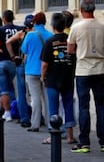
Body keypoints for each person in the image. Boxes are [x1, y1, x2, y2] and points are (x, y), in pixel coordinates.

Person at [67, 0, 104, 153]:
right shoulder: (103, 27)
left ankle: (84, 143)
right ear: (94, 9)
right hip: (101, 69)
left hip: (83, 71)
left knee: (84, 106)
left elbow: (70, 50)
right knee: (101, 105)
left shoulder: (76, 28)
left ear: (81, 9)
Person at [41, 12, 76, 144]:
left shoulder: (49, 42)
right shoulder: (70, 40)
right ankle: (69, 136)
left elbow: (45, 64)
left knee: (53, 108)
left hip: (52, 79)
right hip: (68, 78)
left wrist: (42, 78)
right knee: (68, 106)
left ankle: (53, 135)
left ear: (53, 25)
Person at [21, 12, 53, 132]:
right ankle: (51, 123)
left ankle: (35, 124)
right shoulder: (50, 35)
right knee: (47, 99)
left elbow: (24, 49)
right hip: (46, 70)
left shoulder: (30, 35)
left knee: (35, 99)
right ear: (45, 22)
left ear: (34, 22)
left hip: (31, 70)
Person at [5, 14, 34, 128]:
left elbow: (8, 42)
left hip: (21, 64)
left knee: (22, 93)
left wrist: (13, 57)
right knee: (35, 94)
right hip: (32, 66)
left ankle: (24, 118)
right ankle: (38, 117)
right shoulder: (36, 34)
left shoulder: (21, 33)